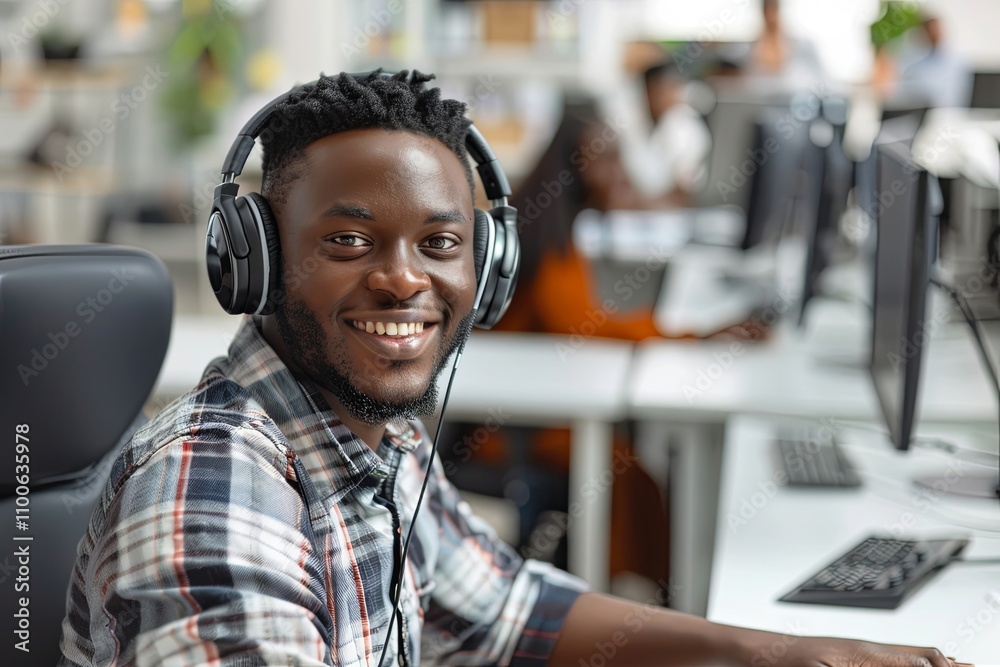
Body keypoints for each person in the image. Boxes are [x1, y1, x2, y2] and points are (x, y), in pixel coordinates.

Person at [59, 70, 967, 667]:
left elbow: (508, 606)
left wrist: (781, 650)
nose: (404, 277)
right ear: (251, 259)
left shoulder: (382, 444)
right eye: (347, 239)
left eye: (440, 242)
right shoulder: (214, 489)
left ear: (487, 268)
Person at [622, 61, 712, 207]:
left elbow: (685, 189)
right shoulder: (635, 122)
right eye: (654, 91)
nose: (664, 97)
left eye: (671, 89)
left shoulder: (684, 125)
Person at [895, 13, 973, 108]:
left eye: (936, 29)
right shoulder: (913, 62)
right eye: (929, 30)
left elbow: (960, 93)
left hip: (951, 112)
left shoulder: (958, 62)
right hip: (922, 111)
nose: (933, 34)